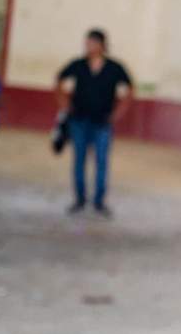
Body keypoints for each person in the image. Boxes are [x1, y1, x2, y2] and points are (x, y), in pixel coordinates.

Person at [55, 29, 133, 217]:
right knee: (79, 160)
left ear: (101, 45)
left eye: (91, 43)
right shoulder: (78, 65)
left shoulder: (114, 67)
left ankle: (99, 201)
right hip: (79, 120)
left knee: (101, 162)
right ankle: (80, 199)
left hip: (103, 122)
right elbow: (59, 80)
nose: (88, 47)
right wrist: (65, 104)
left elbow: (129, 88)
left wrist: (118, 112)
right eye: (87, 43)